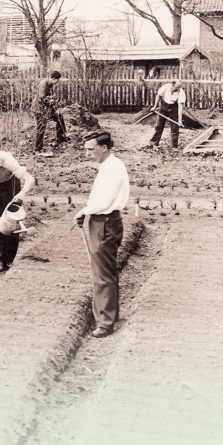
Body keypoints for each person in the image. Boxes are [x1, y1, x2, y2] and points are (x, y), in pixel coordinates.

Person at [74, 130, 130, 338]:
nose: (87, 153)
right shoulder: (109, 166)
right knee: (104, 271)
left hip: (105, 222)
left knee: (102, 274)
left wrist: (84, 211)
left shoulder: (113, 168)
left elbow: (104, 202)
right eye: (85, 149)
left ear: (104, 147)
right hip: (103, 221)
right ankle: (108, 315)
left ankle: (105, 322)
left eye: (90, 149)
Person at [143, 79, 186, 149]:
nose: (178, 89)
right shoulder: (166, 87)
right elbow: (158, 96)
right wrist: (154, 107)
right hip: (163, 107)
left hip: (174, 109)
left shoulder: (181, 92)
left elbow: (180, 106)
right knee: (158, 126)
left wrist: (180, 120)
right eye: (177, 87)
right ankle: (153, 143)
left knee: (175, 128)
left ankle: (173, 146)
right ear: (173, 85)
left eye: (179, 87)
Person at [32, 70, 67, 155]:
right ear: (53, 78)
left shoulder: (50, 85)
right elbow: (42, 98)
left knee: (59, 117)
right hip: (39, 109)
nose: (58, 82)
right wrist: (51, 100)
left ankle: (61, 139)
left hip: (47, 107)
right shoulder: (43, 84)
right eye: (57, 80)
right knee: (41, 127)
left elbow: (50, 98)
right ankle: (37, 149)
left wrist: (55, 108)